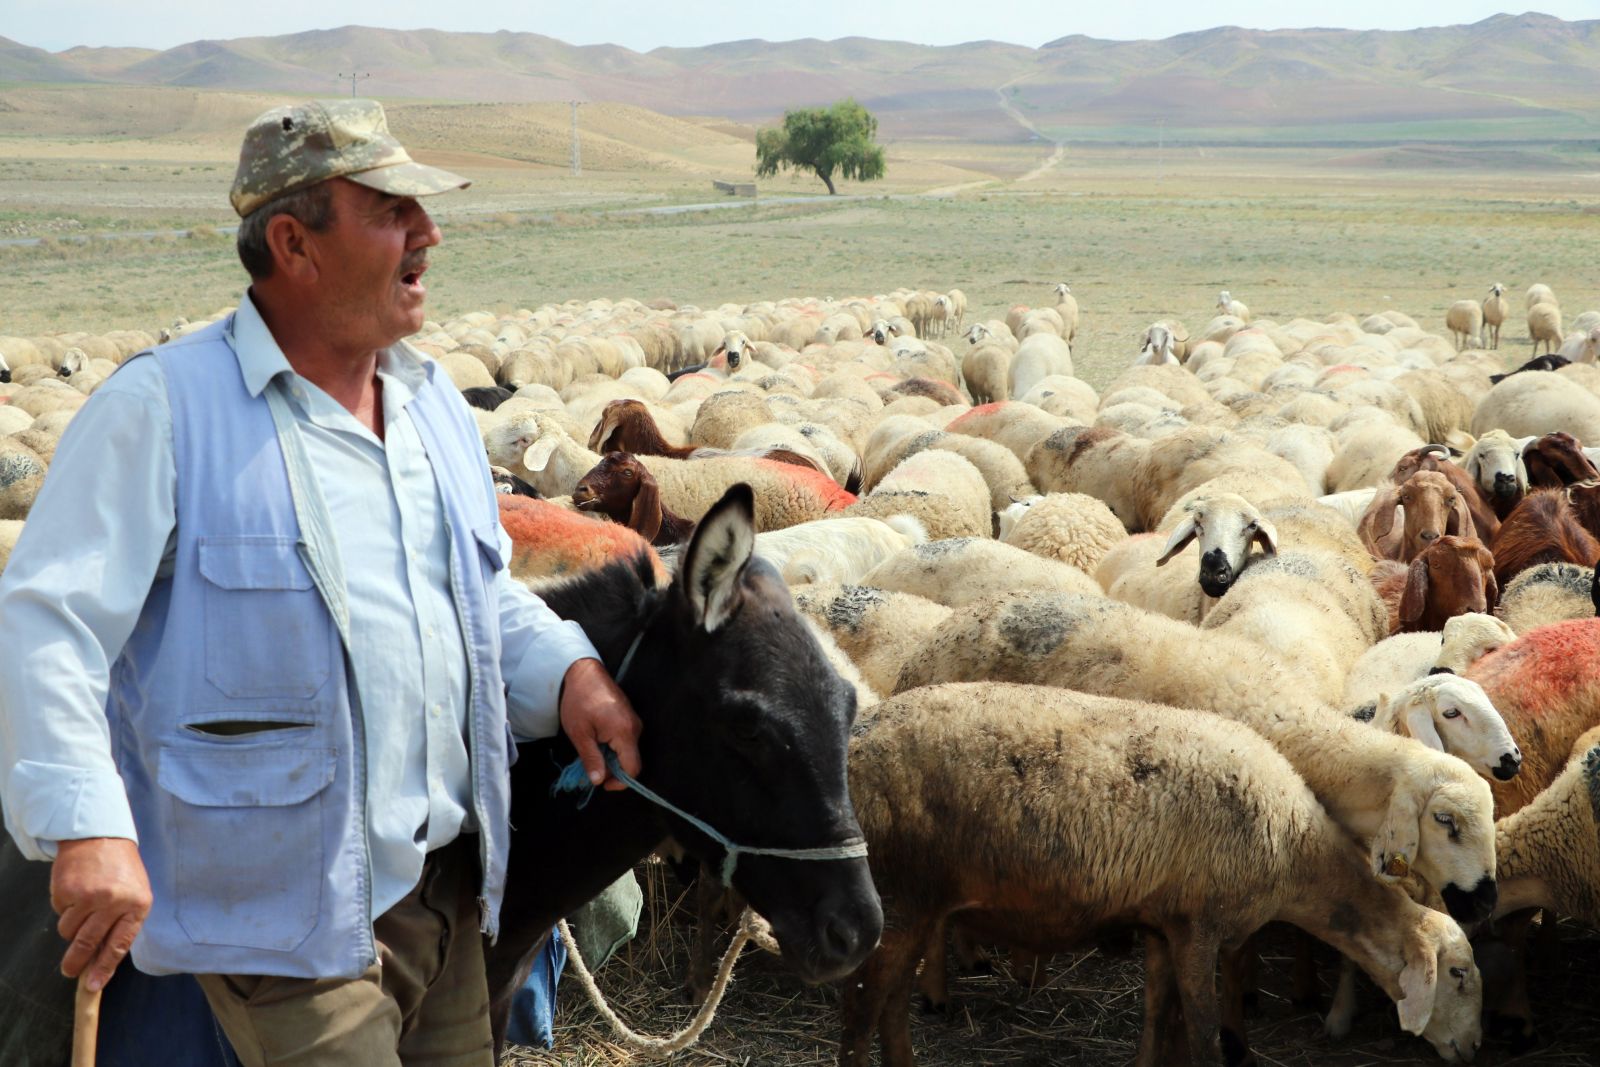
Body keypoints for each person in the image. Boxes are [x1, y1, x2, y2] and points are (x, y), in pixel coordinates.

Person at [0, 98, 643, 1066]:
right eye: (390, 209)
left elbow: (481, 595)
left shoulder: (430, 409)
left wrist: (568, 669)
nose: (428, 231)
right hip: (277, 907)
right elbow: (51, 622)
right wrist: (86, 823)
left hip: (446, 891)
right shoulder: (165, 408)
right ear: (294, 243)